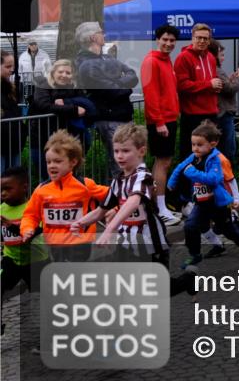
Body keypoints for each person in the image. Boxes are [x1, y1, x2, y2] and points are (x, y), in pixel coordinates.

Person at [70, 124, 197, 295]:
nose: (120, 156)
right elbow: (101, 210)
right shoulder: (118, 180)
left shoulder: (143, 177)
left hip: (151, 243)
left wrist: (110, 228)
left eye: (125, 151)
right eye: (116, 151)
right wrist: (80, 222)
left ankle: (188, 280)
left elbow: (133, 201)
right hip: (127, 242)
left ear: (141, 151)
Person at [168, 121, 239, 268]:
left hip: (217, 204)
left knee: (229, 231)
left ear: (212, 144)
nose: (195, 148)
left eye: (199, 145)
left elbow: (214, 179)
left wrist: (192, 172)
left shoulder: (216, 159)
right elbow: (180, 167)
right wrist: (172, 182)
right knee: (190, 226)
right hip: (201, 203)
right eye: (193, 144)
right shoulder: (194, 157)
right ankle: (195, 254)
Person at [19, 130, 108, 262]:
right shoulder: (41, 190)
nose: (52, 166)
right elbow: (30, 215)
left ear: (73, 162)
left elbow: (113, 195)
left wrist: (113, 211)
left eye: (57, 161)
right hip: (54, 244)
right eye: (48, 162)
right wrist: (27, 229)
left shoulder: (85, 185)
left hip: (79, 243)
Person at [74, 22, 139, 178]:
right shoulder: (85, 64)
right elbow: (111, 91)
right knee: (122, 166)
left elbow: (132, 75)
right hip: (110, 119)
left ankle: (132, 192)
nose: (104, 35)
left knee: (132, 163)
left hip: (123, 116)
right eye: (100, 32)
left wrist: (117, 83)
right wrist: (124, 85)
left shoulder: (107, 57)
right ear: (92, 37)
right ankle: (122, 193)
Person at [141, 24, 181, 225]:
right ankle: (159, 209)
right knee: (162, 162)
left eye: (172, 40)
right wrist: (158, 121)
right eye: (165, 39)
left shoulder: (166, 60)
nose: (168, 43)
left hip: (169, 118)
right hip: (161, 120)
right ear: (157, 40)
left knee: (165, 162)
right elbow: (151, 94)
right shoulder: (151, 61)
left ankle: (160, 206)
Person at [173, 23, 222, 162]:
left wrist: (216, 87)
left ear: (209, 40)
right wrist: (208, 84)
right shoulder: (183, 57)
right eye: (198, 37)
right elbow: (181, 85)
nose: (202, 41)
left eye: (205, 38)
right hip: (192, 115)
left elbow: (211, 81)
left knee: (210, 153)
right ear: (192, 38)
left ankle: (209, 176)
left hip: (211, 112)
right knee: (191, 155)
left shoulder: (211, 57)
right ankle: (187, 177)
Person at [1, 167, 48, 300]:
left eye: (8, 189)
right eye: (1, 189)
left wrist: (12, 226)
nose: (3, 193)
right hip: (12, 259)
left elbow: (35, 234)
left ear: (24, 187)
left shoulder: (33, 209)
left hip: (36, 261)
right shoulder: (1, 209)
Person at [209, 41, 239, 164]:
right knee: (228, 149)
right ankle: (227, 173)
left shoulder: (215, 70)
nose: (223, 58)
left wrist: (231, 79)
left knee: (230, 145)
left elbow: (226, 86)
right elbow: (230, 89)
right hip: (224, 113)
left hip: (221, 112)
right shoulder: (217, 70)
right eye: (221, 55)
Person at [0, 51, 22, 173]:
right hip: (3, 142)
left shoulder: (9, 87)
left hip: (12, 141)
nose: (11, 70)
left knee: (14, 177)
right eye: (8, 66)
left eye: (12, 66)